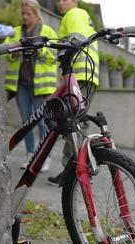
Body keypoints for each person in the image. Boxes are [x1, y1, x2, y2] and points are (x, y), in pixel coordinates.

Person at [48, 0, 99, 185]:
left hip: (77, 75)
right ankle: (77, 170)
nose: (60, 3)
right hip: (88, 75)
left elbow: (74, 41)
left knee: (72, 125)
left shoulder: (73, 15)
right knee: (78, 123)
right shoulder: (84, 16)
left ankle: (74, 172)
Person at [3, 0, 58, 171]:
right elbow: (5, 51)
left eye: (29, 14)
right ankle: (30, 155)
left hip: (40, 85)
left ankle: (44, 157)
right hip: (21, 85)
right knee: (27, 122)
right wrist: (14, 53)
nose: (25, 17)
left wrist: (39, 49)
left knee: (42, 122)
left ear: (36, 14)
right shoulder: (16, 32)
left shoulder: (47, 31)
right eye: (23, 13)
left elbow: (54, 55)